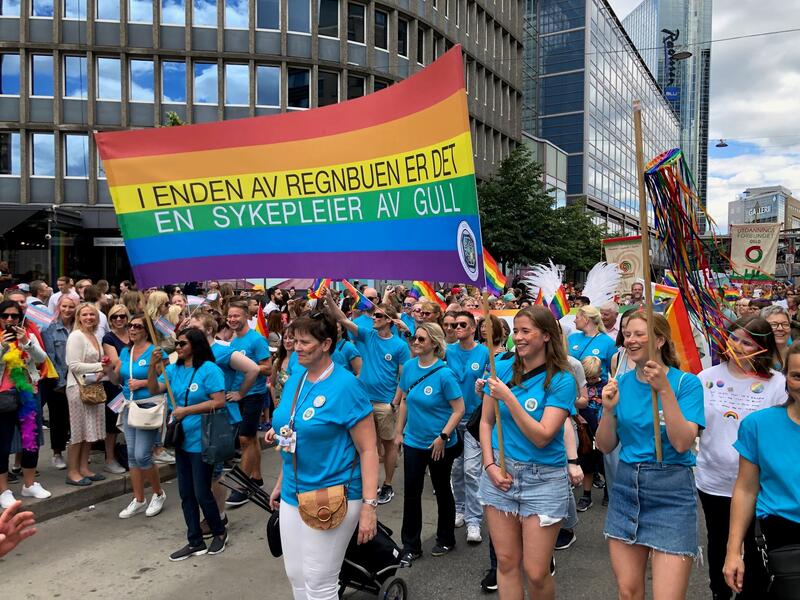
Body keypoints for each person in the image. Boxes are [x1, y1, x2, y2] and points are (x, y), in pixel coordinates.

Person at [267, 314, 378, 599]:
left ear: (326, 344)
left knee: (320, 582)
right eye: (294, 340)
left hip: (334, 493)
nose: (297, 347)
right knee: (297, 575)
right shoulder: (296, 378)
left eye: (305, 342)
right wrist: (281, 480)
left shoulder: (346, 387)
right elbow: (292, 432)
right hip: (293, 490)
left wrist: (369, 506)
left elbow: (368, 450)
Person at [596, 312, 704, 600]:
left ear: (659, 339)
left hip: (672, 492)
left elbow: (682, 443)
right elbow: (605, 446)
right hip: (627, 488)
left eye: (639, 334)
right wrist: (607, 410)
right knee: (628, 592)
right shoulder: (621, 382)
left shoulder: (686, 384)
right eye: (627, 334)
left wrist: (664, 390)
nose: (630, 340)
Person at [478, 306, 576, 600]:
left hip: (543, 480)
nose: (517, 338)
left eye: (525, 331)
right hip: (500, 475)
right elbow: (485, 422)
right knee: (506, 564)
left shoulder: (562, 379)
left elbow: (543, 436)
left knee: (536, 571)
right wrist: (489, 466)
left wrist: (508, 396)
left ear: (546, 336)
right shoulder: (501, 367)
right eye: (516, 331)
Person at [696, 316, 785, 599]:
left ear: (763, 347)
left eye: (747, 342)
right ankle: (719, 592)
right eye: (734, 338)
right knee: (719, 542)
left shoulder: (777, 385)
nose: (737, 345)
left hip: (757, 486)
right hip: (713, 480)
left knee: (755, 547)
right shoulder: (706, 378)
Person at [723, 342, 800, 597]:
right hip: (776, 536)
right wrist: (734, 552)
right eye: (797, 376)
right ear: (786, 378)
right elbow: (746, 489)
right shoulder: (758, 425)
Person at [322, 287, 410, 506]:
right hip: (363, 402)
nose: (373, 318)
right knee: (365, 445)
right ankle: (367, 483)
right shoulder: (367, 336)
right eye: (374, 314)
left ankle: (387, 484)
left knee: (388, 445)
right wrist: (331, 300)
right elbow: (342, 319)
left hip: (384, 403)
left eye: (379, 315)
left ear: (389, 321)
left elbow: (404, 376)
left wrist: (394, 402)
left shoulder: (399, 345)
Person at [147, 328, 228, 561]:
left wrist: (186, 410)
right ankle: (194, 540)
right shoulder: (172, 369)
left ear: (195, 345)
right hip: (181, 439)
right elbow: (154, 389)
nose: (178, 347)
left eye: (182, 343)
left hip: (202, 439)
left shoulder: (209, 370)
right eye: (177, 343)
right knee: (185, 493)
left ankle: (219, 532)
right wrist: (153, 367)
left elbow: (219, 401)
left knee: (202, 492)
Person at [393, 322, 465, 563]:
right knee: (411, 493)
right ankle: (411, 545)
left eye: (421, 339)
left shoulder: (445, 374)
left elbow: (459, 409)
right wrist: (398, 432)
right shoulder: (411, 367)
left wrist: (443, 436)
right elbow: (404, 400)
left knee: (442, 489)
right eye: (415, 337)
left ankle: (446, 538)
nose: (415, 342)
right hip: (414, 440)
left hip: (439, 443)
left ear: (434, 343)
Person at [187, 311, 259, 536]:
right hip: (198, 417)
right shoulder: (192, 354)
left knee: (213, 471)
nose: (190, 330)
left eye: (195, 326)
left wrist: (239, 393)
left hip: (220, 417)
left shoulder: (223, 351)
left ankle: (218, 517)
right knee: (202, 472)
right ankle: (213, 514)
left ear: (208, 329)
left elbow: (253, 369)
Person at [108, 313, 167, 519]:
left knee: (142, 455)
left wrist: (143, 382)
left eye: (137, 326)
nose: (132, 329)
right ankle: (139, 498)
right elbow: (117, 378)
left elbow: (166, 381)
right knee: (132, 456)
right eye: (130, 326)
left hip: (148, 407)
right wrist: (108, 369)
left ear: (147, 330)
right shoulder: (126, 351)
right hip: (128, 407)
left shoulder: (156, 352)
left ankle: (158, 494)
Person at [0, 300, 51, 508]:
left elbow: (42, 358)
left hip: (27, 394)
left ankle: (29, 484)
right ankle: (3, 490)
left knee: (30, 441)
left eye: (14, 316)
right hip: (3, 396)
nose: (10, 320)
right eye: (5, 316)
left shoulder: (28, 335)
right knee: (2, 444)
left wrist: (26, 343)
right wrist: (3, 346)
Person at [446, 311, 489, 544]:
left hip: (474, 419)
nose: (457, 328)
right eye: (454, 324)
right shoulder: (447, 351)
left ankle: (474, 520)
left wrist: (484, 387)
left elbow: (492, 380)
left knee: (472, 470)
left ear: (473, 328)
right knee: (455, 469)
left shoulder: (484, 352)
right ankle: (459, 508)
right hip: (452, 419)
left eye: (462, 324)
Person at [224, 301, 271, 508]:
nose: (233, 319)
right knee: (250, 439)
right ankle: (256, 478)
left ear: (246, 317)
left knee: (244, 439)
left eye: (237, 316)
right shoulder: (232, 341)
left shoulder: (256, 339)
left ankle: (241, 487)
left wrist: (250, 368)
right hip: (236, 396)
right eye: (230, 316)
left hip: (253, 394)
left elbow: (268, 368)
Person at [65, 303, 109, 486]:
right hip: (77, 388)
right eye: (85, 314)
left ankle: (83, 468)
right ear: (78, 317)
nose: (89, 317)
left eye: (92, 314)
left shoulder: (94, 336)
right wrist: (101, 367)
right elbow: (73, 364)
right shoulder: (76, 336)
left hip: (93, 386)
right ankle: (72, 472)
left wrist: (102, 369)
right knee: (78, 432)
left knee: (88, 431)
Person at [41, 295, 77, 470]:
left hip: (79, 381)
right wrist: (60, 383)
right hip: (59, 381)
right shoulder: (51, 328)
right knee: (58, 418)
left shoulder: (79, 327)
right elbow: (50, 358)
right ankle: (57, 452)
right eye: (64, 306)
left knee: (75, 419)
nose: (68, 310)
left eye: (71, 306)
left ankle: (75, 452)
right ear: (58, 307)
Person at [100, 304, 130, 475]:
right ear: (110, 319)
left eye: (122, 316)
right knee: (112, 424)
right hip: (115, 385)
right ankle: (109, 458)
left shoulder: (133, 334)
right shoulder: (109, 338)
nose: (119, 319)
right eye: (115, 317)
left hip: (133, 384)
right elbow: (115, 362)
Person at [568, 305, 617, 379]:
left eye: (577, 317)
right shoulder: (571, 338)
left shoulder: (608, 343)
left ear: (586, 319)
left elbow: (614, 373)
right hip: (573, 387)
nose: (574, 321)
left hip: (596, 388)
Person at [270, 324, 296, 408]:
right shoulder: (277, 362)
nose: (287, 341)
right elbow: (272, 385)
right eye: (285, 338)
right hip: (280, 408)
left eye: (291, 338)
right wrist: (275, 403)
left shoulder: (304, 362)